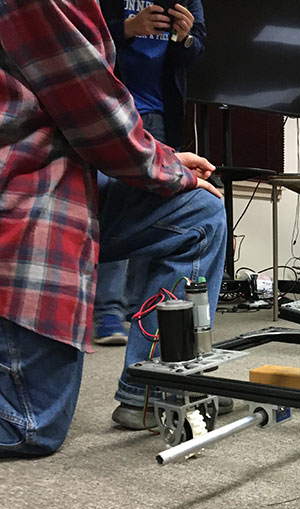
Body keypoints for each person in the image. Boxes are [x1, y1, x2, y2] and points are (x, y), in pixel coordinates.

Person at [0, 0, 225, 457]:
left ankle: (149, 391)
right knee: (30, 424)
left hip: (85, 153)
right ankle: (106, 313)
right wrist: (160, 164)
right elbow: (95, 112)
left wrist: (159, 159)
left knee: (197, 211)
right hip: (27, 189)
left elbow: (99, 117)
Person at [93, 0, 206, 345]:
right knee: (116, 207)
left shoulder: (188, 1)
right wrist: (128, 28)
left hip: (160, 114)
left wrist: (185, 38)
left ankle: (134, 308)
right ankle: (107, 313)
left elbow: (195, 52)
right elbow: (82, 36)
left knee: (152, 212)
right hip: (111, 107)